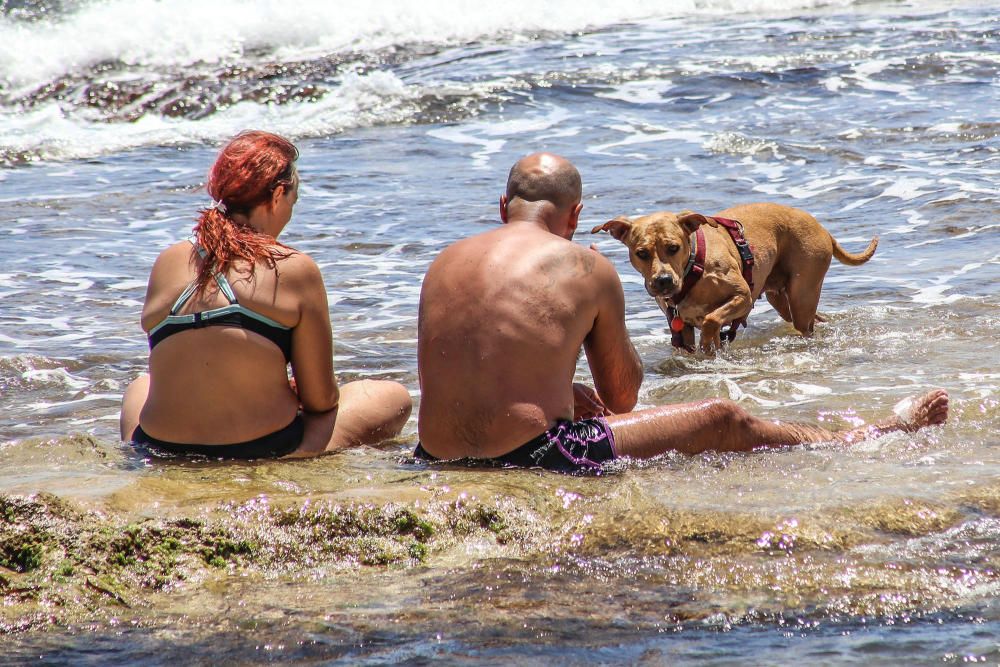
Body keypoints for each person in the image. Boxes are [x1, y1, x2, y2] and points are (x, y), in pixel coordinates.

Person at [414, 152, 948, 473]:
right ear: (576, 215)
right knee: (720, 417)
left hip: (432, 452)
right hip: (537, 454)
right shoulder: (583, 265)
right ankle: (867, 435)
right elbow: (622, 398)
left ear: (502, 207)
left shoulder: (442, 262)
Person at [120, 130, 412, 459]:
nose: (290, 212)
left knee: (140, 386)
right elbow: (321, 401)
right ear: (277, 195)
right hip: (261, 447)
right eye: (293, 200)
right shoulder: (292, 268)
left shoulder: (169, 260)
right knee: (391, 397)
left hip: (158, 445)